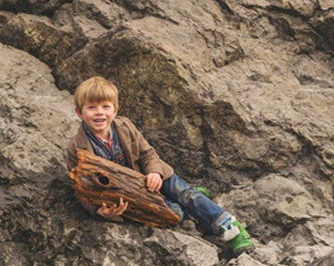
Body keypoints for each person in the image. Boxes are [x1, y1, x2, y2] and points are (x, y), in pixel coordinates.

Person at [65, 76, 254, 256]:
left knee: (186, 195)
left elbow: (148, 153)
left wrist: (154, 172)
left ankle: (230, 228)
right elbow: (80, 190)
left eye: (105, 106)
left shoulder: (125, 126)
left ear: (115, 110)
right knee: (176, 214)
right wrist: (100, 211)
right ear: (79, 113)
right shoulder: (77, 147)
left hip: (153, 175)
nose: (99, 112)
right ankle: (192, 205)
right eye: (91, 107)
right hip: (132, 193)